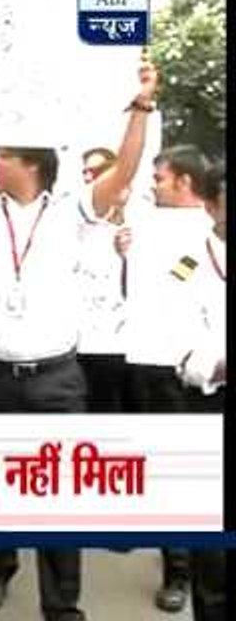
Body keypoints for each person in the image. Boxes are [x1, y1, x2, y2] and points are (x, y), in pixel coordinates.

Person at [0, 52, 156, 621]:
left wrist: (142, 103)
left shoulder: (75, 211)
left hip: (55, 380)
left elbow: (123, 170)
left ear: (30, 165)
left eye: (1, 156)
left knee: (60, 497)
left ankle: (62, 604)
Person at [120, 144, 215, 613]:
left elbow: (184, 280)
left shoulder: (208, 233)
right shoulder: (147, 228)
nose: (153, 186)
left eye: (159, 178)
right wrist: (127, 256)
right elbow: (162, 289)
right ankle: (179, 567)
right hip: (155, 363)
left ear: (184, 182)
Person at [178, 161, 226, 621]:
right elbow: (174, 338)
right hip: (210, 405)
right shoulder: (188, 262)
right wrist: (216, 364)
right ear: (211, 206)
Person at [75, 147, 136, 413]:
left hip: (135, 348)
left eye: (97, 172)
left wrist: (132, 258)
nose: (90, 178)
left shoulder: (148, 223)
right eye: (85, 172)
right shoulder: (77, 226)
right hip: (86, 345)